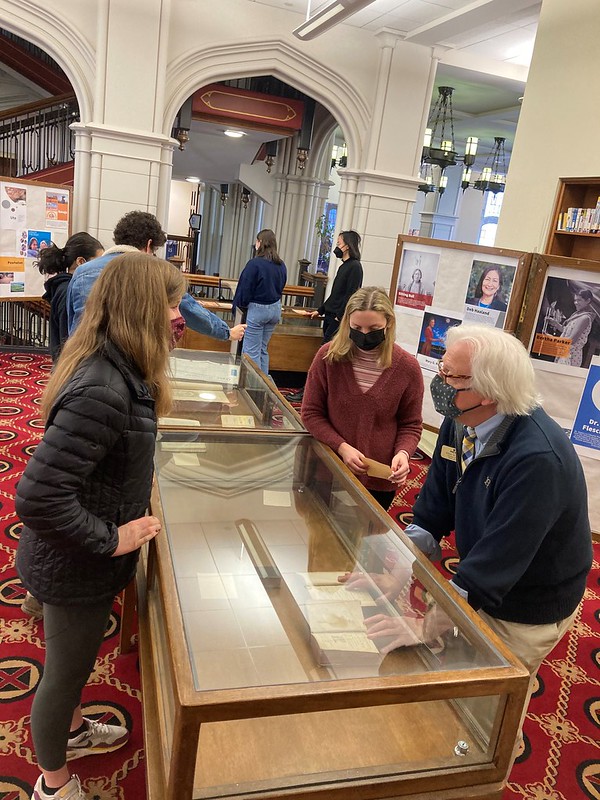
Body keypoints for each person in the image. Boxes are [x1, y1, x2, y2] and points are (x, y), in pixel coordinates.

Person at [364, 325, 592, 744]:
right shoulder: (462, 419)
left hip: (528, 602)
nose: (439, 383)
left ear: (487, 391)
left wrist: (425, 625)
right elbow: (432, 509)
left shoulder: (537, 459)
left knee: (489, 708)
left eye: (450, 376)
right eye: (442, 369)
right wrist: (397, 565)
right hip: (484, 574)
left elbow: (491, 572)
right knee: (457, 674)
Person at [15, 252, 187, 800]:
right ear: (143, 309)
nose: (177, 318)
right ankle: (53, 783)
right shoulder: (104, 388)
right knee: (65, 673)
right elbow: (38, 497)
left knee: (75, 663)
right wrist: (115, 539)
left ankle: (72, 732)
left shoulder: (118, 370)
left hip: (79, 557)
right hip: (75, 563)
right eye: (171, 306)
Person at [301, 287, 424, 510]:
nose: (365, 334)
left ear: (388, 323)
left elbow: (411, 424)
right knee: (321, 540)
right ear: (347, 322)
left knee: (368, 543)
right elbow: (310, 413)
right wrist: (342, 447)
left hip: (377, 478)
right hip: (329, 470)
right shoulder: (328, 358)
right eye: (357, 327)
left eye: (374, 328)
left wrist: (403, 453)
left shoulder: (407, 368)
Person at [67, 210, 246, 343]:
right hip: (129, 364)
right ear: (148, 244)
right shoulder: (154, 273)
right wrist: (226, 332)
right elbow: (189, 309)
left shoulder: (82, 272)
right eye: (154, 251)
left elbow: (72, 326)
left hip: (83, 363)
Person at [287, 230, 363, 403]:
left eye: (339, 243)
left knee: (322, 358)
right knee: (324, 358)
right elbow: (335, 294)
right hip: (330, 317)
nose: (337, 246)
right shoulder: (344, 266)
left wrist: (339, 316)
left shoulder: (355, 267)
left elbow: (351, 296)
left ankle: (308, 393)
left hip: (338, 321)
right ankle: (314, 392)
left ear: (347, 246)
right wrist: (320, 310)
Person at [38, 233, 105, 362]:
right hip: (69, 366)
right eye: (97, 262)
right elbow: (67, 335)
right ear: (81, 261)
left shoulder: (66, 286)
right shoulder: (67, 290)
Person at [232, 228, 287, 374]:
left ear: (260, 242)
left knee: (250, 352)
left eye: (257, 241)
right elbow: (282, 286)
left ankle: (252, 389)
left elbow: (244, 289)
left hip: (258, 309)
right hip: (275, 308)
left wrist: (239, 308)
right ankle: (264, 387)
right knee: (262, 350)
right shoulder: (281, 265)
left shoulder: (254, 264)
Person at [548, 288, 596, 367]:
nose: (576, 303)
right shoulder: (578, 315)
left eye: (579, 300)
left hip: (571, 356)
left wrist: (552, 339)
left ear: (588, 301)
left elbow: (572, 340)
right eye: (575, 300)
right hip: (565, 353)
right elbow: (567, 331)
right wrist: (556, 324)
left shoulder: (585, 318)